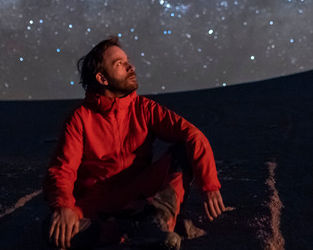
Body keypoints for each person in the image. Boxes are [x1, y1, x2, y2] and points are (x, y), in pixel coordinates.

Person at [43, 36, 225, 249]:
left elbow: (192, 135)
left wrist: (209, 185)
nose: (131, 67)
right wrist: (63, 206)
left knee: (182, 150)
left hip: (140, 196)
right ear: (102, 78)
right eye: (119, 64)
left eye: (127, 60)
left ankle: (156, 222)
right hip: (99, 205)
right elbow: (62, 169)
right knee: (53, 230)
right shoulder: (80, 118)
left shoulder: (144, 108)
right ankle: (130, 231)